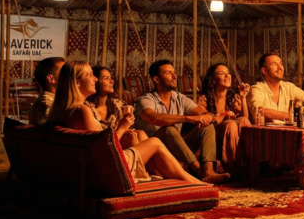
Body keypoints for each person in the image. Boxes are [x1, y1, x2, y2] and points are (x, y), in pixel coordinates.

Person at [47, 61, 200, 184]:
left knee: (138, 133)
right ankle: (193, 183)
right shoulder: (82, 110)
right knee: (154, 142)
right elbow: (100, 148)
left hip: (91, 164)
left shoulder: (69, 108)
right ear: (78, 83)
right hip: (103, 168)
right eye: (90, 75)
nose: (95, 79)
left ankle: (162, 177)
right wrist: (121, 127)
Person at [134, 59, 230, 184]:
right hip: (155, 151)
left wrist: (207, 116)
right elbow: (153, 118)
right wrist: (189, 118)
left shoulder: (179, 98)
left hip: (176, 147)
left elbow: (202, 113)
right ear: (156, 79)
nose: (175, 76)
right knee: (169, 129)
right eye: (169, 73)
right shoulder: (145, 99)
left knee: (207, 127)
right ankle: (199, 171)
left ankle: (208, 172)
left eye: (174, 73)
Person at [196, 63, 252, 175]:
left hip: (233, 135)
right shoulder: (204, 99)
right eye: (222, 74)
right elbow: (202, 123)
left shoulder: (233, 97)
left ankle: (248, 163)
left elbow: (245, 118)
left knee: (243, 121)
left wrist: (243, 97)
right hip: (213, 138)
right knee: (230, 124)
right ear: (213, 80)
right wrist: (224, 116)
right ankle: (232, 166)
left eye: (228, 73)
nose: (227, 76)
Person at [247, 52, 304, 123]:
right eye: (274, 64)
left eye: (281, 63)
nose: (280, 67)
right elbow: (260, 111)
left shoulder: (289, 87)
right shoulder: (256, 89)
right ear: (264, 71)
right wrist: (290, 116)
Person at [86, 65, 147, 149]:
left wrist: (128, 122)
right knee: (132, 137)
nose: (111, 81)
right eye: (106, 78)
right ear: (95, 81)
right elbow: (98, 140)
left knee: (140, 133)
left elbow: (124, 128)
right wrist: (123, 127)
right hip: (102, 146)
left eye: (111, 78)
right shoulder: (87, 108)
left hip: (116, 138)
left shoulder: (116, 105)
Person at [28, 57, 64, 126]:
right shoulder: (47, 104)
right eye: (64, 72)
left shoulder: (56, 101)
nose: (70, 76)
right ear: (51, 79)